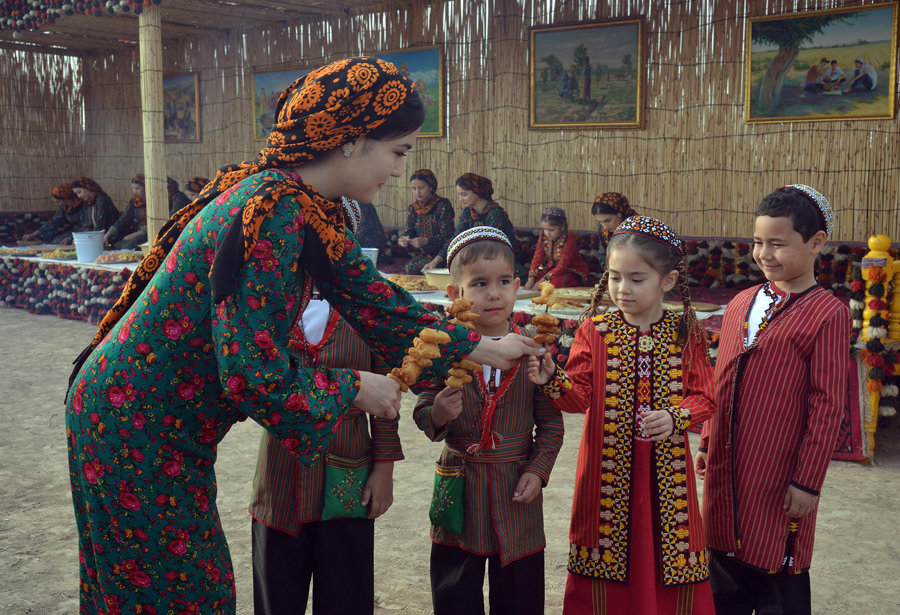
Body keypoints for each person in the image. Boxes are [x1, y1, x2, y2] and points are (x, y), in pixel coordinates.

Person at [65, 57, 544, 615]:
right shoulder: (270, 211)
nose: (397, 172)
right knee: (178, 595)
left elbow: (373, 301)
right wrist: (351, 389)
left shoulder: (304, 206)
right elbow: (250, 372)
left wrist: (488, 348)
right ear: (351, 141)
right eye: (398, 152)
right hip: (135, 426)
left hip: (153, 424)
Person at [528, 215, 716, 615]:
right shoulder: (594, 329)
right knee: (604, 546)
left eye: (636, 278)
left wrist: (677, 417)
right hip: (606, 471)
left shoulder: (686, 332)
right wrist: (550, 380)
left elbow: (705, 396)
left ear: (667, 281)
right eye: (614, 277)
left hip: (668, 474)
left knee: (669, 549)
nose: (621, 289)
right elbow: (578, 399)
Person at [695, 185, 849, 615]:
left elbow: (827, 404)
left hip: (780, 471)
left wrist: (807, 481)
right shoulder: (742, 302)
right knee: (722, 554)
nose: (764, 253)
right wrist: (707, 439)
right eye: (759, 242)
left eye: (778, 244)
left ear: (816, 242)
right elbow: (718, 380)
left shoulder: (827, 313)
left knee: (777, 559)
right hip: (727, 459)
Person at [414, 226, 564, 615]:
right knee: (454, 590)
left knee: (520, 594)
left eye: (502, 282)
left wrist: (539, 470)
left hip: (515, 485)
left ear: (518, 287)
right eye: (479, 283)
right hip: (459, 484)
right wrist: (438, 415)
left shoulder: (534, 348)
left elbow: (551, 423)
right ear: (455, 294)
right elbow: (424, 408)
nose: (493, 293)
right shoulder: (443, 349)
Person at [249, 245, 402, 614]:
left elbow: (387, 399)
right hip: (281, 469)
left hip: (349, 466)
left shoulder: (366, 313)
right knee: (277, 589)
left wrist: (384, 469)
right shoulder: (271, 308)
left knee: (346, 587)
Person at [425, 173, 522, 276]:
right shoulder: (468, 212)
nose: (460, 199)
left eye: (464, 195)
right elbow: (456, 239)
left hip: (501, 261)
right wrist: (435, 261)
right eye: (459, 195)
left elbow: (491, 246)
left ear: (477, 192)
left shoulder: (495, 213)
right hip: (477, 261)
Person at [399, 168, 455, 274]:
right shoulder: (413, 208)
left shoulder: (442, 205)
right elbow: (408, 232)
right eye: (413, 188)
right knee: (410, 268)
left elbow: (447, 236)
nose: (417, 192)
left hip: (444, 254)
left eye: (421, 188)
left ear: (431, 186)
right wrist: (404, 240)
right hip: (425, 255)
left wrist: (426, 241)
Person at [524, 207, 589, 290]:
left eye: (551, 230)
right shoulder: (543, 235)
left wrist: (541, 281)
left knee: (554, 285)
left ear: (562, 226)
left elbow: (563, 265)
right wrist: (531, 279)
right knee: (535, 280)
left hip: (570, 271)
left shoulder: (569, 238)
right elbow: (538, 256)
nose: (547, 233)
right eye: (545, 229)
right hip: (553, 271)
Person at [591, 192, 637, 272]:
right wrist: (610, 272)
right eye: (600, 222)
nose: (605, 226)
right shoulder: (602, 228)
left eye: (608, 220)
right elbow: (603, 251)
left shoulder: (637, 227)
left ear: (619, 213)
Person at [104, 174, 148, 250]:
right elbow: (124, 218)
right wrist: (107, 234)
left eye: (138, 188)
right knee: (115, 244)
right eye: (133, 188)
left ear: (145, 186)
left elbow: (157, 223)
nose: (135, 191)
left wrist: (135, 235)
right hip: (137, 234)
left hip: (151, 233)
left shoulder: (153, 201)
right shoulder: (134, 201)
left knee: (131, 245)